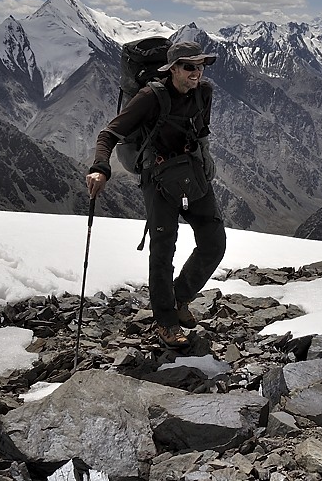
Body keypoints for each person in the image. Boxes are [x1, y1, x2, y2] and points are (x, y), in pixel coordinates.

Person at [85, 40, 225, 349]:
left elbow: (201, 132)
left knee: (214, 242)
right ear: (172, 68)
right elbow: (109, 133)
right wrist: (100, 168)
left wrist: (206, 159)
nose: (197, 72)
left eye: (200, 66)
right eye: (189, 66)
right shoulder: (150, 96)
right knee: (163, 251)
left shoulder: (205, 92)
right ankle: (165, 323)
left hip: (193, 171)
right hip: (158, 177)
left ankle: (178, 298)